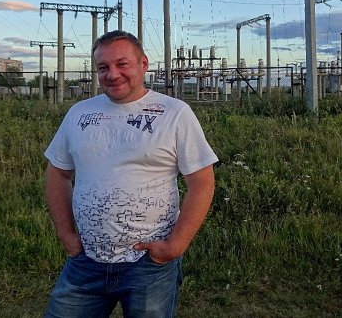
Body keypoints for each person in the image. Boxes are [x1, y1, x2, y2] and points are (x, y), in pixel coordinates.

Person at [44, 30, 217, 318]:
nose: (113, 74)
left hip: (148, 264)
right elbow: (57, 173)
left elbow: (202, 182)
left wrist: (174, 246)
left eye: (122, 64)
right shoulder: (79, 114)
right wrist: (67, 235)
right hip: (86, 260)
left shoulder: (174, 113)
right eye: (103, 67)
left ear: (143, 64)